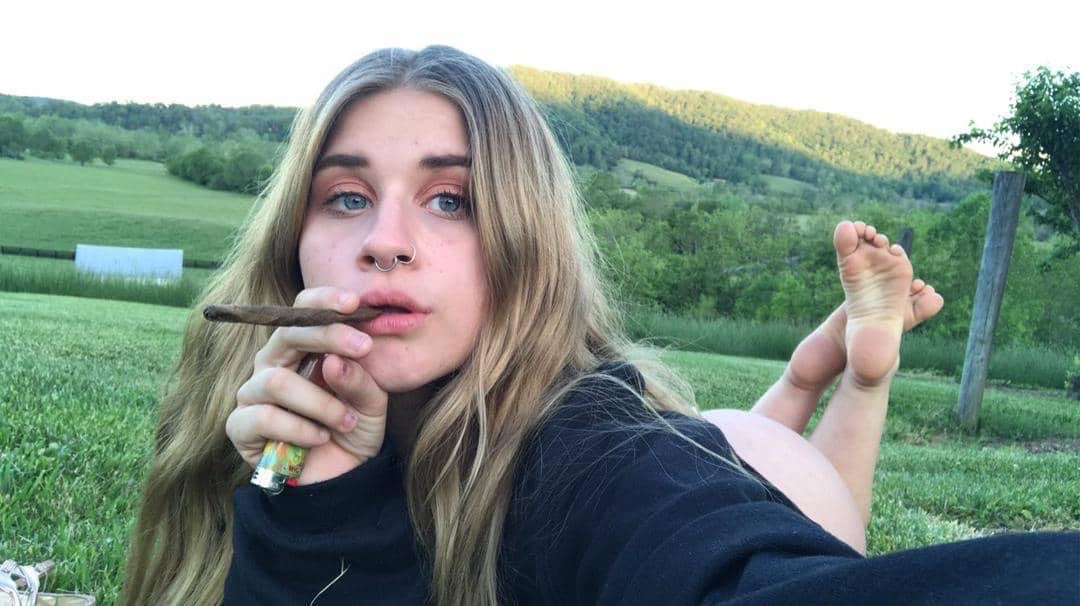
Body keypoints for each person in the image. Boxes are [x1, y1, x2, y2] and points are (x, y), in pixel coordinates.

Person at [121, 46, 1078, 605]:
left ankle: (859, 376)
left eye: (452, 200)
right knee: (751, 452)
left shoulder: (587, 451)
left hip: (731, 474)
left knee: (778, 489)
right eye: (345, 197)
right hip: (727, 454)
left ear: (526, 238)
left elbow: (730, 566)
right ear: (293, 239)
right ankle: (821, 379)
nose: (385, 242)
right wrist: (301, 498)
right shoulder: (243, 412)